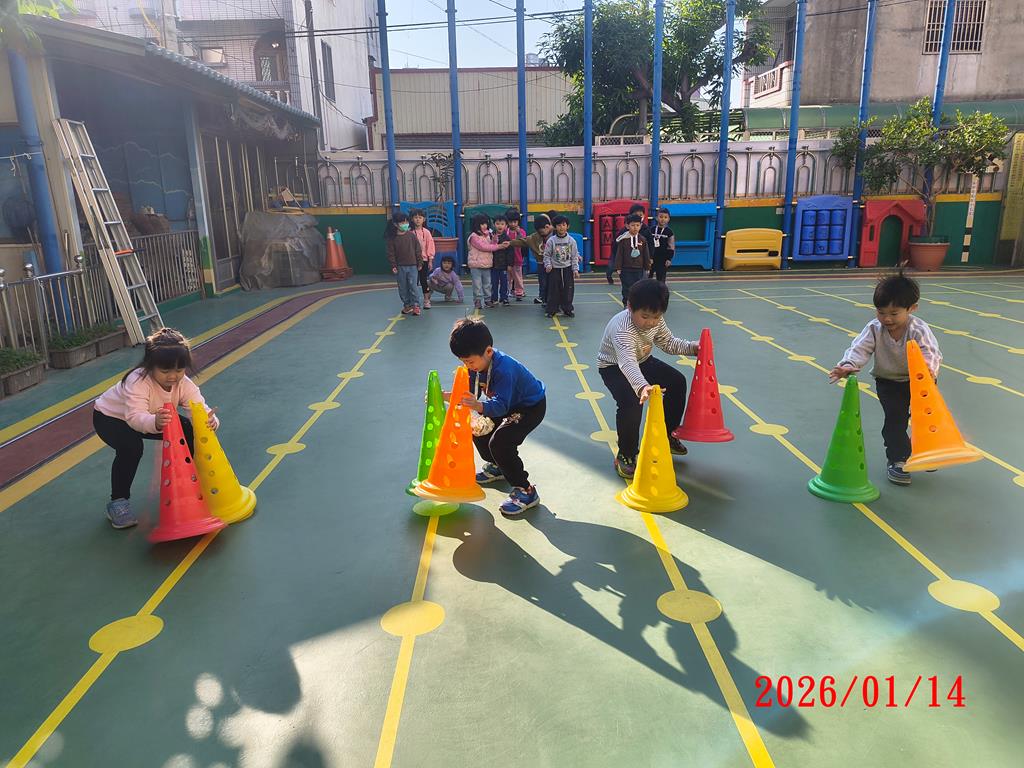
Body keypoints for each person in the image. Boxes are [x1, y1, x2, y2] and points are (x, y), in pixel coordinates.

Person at [93, 328, 219, 529]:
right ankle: (118, 502)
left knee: (187, 428)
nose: (173, 377)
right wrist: (155, 423)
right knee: (131, 448)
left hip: (153, 417)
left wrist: (210, 421)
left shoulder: (184, 383)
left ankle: (189, 482)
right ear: (150, 366)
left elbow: (199, 408)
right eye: (165, 371)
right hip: (110, 418)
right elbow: (135, 417)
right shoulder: (137, 381)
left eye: (179, 370)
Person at [828, 272, 942, 485]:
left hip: (920, 382)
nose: (887, 319)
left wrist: (928, 372)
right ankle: (898, 459)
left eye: (894, 313)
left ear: (912, 308)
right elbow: (860, 348)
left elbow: (931, 352)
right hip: (888, 382)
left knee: (925, 419)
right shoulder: (874, 328)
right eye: (881, 312)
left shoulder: (918, 329)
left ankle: (926, 450)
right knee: (895, 420)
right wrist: (848, 365)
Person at [597, 279, 698, 479]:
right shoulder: (622, 328)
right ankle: (626, 454)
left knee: (677, 381)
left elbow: (668, 343)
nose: (651, 322)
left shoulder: (656, 321)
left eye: (656, 317)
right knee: (631, 402)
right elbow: (627, 363)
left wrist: (692, 348)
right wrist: (642, 386)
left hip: (642, 360)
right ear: (629, 307)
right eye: (645, 316)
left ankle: (667, 436)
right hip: (613, 367)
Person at [447, 318, 546, 516]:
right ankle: (498, 466)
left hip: (529, 407)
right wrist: (446, 396)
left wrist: (478, 406)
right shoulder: (477, 365)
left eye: (470, 361)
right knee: (478, 429)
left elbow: (500, 406)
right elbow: (471, 393)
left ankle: (526, 490)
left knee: (501, 442)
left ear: (489, 351)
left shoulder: (504, 369)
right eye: (464, 362)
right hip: (506, 404)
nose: (468, 366)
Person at [466, 213, 510, 310]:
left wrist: (494, 241)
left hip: (486, 264)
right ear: (476, 225)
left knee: (487, 284)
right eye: (482, 224)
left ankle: (487, 300)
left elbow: (490, 245)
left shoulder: (487, 235)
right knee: (477, 285)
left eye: (485, 223)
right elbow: (484, 247)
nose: (484, 226)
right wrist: (499, 246)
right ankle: (477, 301)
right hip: (476, 265)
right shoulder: (473, 237)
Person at [508, 213, 553, 307]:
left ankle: (555, 299)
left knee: (554, 282)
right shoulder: (534, 237)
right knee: (543, 282)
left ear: (548, 226)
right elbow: (522, 241)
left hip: (555, 264)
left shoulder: (556, 235)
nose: (542, 234)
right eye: (540, 232)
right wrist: (508, 243)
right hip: (541, 263)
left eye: (543, 232)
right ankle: (543, 298)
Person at [541, 215, 580, 318]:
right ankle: (551, 310)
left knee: (568, 290)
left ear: (567, 226)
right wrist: (548, 265)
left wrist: (575, 269)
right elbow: (546, 255)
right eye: (559, 225)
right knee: (553, 290)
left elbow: (574, 256)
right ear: (555, 227)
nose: (561, 227)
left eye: (563, 225)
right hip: (555, 269)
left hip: (567, 269)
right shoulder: (551, 241)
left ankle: (567, 309)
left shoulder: (571, 241)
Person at [385, 211, 423, 315]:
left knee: (413, 286)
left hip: (413, 266)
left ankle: (416, 305)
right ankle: (407, 305)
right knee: (403, 288)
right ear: (395, 224)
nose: (405, 224)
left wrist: (420, 262)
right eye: (402, 223)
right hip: (400, 267)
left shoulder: (411, 236)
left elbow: (418, 250)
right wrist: (393, 265)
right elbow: (390, 253)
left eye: (406, 222)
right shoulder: (392, 238)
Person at [607, 203, 654, 284]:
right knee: (612, 266)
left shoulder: (646, 230)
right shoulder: (624, 231)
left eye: (640, 215)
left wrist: (651, 257)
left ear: (644, 216)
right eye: (636, 215)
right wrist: (616, 257)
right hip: (623, 256)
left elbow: (650, 244)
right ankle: (609, 275)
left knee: (641, 279)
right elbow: (616, 243)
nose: (638, 217)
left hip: (639, 260)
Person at [612, 214, 651, 308]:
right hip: (626, 269)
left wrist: (647, 267)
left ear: (641, 226)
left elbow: (646, 254)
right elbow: (619, 254)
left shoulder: (642, 239)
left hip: (639, 268)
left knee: (639, 287)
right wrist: (618, 267)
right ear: (627, 226)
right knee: (627, 287)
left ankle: (638, 304)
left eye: (637, 225)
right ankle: (626, 303)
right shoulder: (623, 240)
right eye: (633, 225)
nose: (635, 227)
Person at [409, 208, 436, 309]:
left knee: (423, 280)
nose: (418, 219)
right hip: (412, 261)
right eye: (415, 217)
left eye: (420, 217)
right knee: (413, 282)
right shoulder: (410, 232)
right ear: (412, 219)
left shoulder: (427, 232)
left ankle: (426, 300)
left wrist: (430, 260)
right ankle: (414, 302)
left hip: (424, 261)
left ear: (424, 219)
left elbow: (430, 246)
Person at [505, 208, 528, 301]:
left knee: (518, 277)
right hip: (506, 259)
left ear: (518, 222)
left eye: (515, 222)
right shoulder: (505, 231)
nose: (513, 224)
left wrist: (518, 233)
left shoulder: (521, 231)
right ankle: (507, 291)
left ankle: (519, 292)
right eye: (511, 222)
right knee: (507, 277)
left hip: (517, 258)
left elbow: (523, 241)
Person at [491, 214, 512, 306]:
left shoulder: (507, 238)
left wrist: (510, 264)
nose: (500, 226)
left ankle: (504, 298)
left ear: (506, 226)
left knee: (504, 283)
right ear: (494, 225)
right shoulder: (490, 236)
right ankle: (494, 298)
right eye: (497, 223)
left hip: (503, 265)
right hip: (493, 265)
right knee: (493, 283)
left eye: (502, 224)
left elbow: (510, 252)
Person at [649, 207, 675, 282]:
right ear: (656, 218)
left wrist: (669, 259)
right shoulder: (651, 229)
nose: (663, 219)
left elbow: (671, 246)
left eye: (665, 217)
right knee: (648, 277)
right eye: (661, 217)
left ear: (668, 219)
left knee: (661, 279)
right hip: (651, 258)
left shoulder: (669, 232)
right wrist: (648, 257)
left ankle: (661, 289)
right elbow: (648, 243)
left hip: (662, 259)